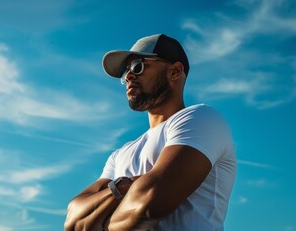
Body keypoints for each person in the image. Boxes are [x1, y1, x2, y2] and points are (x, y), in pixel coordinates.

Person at [64, 34, 236, 231]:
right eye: (126, 71)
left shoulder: (202, 119)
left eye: (138, 65)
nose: (129, 75)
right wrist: (122, 187)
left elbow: (148, 203)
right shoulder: (119, 155)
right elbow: (74, 222)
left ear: (175, 71)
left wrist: (100, 219)